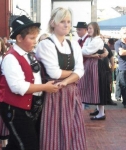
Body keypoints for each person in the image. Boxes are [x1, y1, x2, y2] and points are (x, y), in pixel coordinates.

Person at [0, 15, 59, 150]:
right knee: (29, 145)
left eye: (35, 38)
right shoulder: (11, 58)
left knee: (16, 145)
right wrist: (45, 87)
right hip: (15, 109)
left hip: (29, 107)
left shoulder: (29, 54)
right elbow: (18, 87)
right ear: (19, 38)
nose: (35, 42)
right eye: (32, 38)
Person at [36, 7, 86, 150]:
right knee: (54, 133)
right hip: (54, 93)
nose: (66, 25)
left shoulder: (73, 44)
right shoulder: (46, 44)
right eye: (62, 21)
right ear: (53, 23)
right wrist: (73, 73)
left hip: (71, 93)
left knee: (74, 131)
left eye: (69, 22)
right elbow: (54, 73)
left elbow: (81, 70)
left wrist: (66, 80)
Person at [78, 22, 107, 120]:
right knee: (91, 87)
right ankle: (99, 111)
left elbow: (86, 50)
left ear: (95, 29)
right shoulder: (90, 39)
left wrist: (82, 51)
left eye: (90, 28)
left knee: (97, 87)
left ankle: (101, 112)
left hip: (96, 66)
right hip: (90, 65)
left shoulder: (97, 40)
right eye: (88, 28)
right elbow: (84, 50)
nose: (89, 30)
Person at [114, 27, 126, 108]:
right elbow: (121, 52)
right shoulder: (117, 43)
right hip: (122, 68)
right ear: (121, 34)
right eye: (124, 33)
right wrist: (123, 51)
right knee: (124, 86)